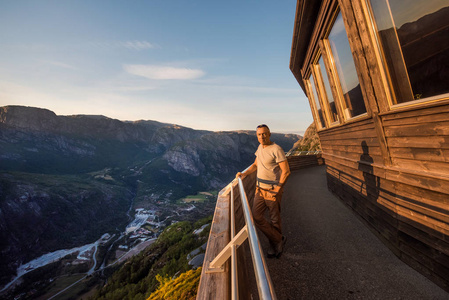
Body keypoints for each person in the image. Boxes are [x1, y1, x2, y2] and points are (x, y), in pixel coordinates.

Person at [236, 124, 291, 258]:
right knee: (256, 216)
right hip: (259, 189)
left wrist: (277, 189)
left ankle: (277, 245)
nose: (262, 136)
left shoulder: (276, 149)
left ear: (269, 134)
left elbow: (286, 171)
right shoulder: (260, 147)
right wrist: (244, 174)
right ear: (257, 136)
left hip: (272, 189)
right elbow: (255, 164)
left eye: (264, 133)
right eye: (259, 134)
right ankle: (279, 238)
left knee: (274, 219)